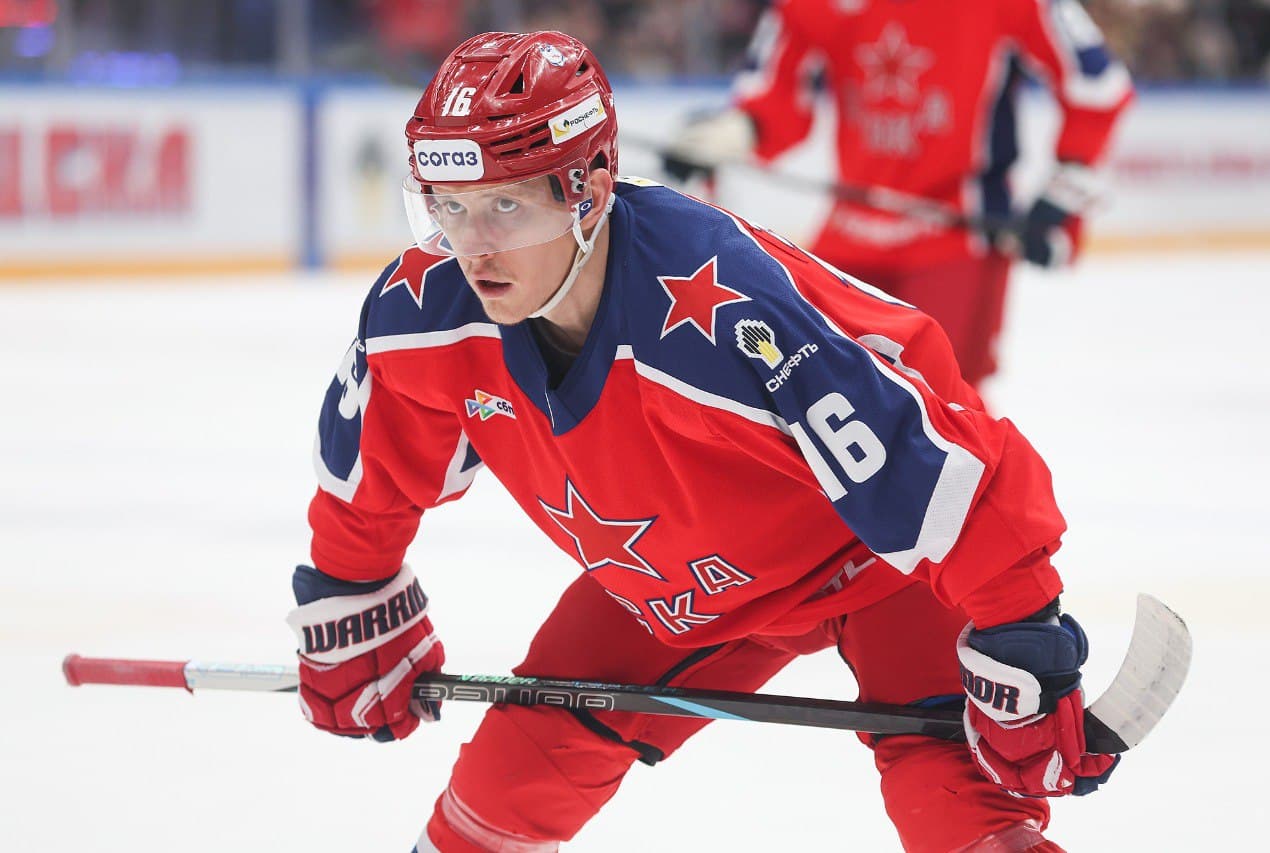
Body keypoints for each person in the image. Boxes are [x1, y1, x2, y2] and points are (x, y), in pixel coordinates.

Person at [288, 30, 1119, 853]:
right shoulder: (425, 309)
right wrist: (352, 587)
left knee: (957, 807)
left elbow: (930, 460)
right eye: (449, 206)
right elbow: (373, 461)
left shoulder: (722, 313)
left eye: (506, 205)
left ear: (589, 188)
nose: (472, 246)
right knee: (506, 783)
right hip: (679, 583)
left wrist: (1020, 627)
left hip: (876, 563)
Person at [661, 0, 1134, 392]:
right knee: (809, 390)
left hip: (958, 236)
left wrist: (1068, 184)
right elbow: (778, 88)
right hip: (851, 232)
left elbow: (1098, 87)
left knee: (943, 411)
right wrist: (737, 129)